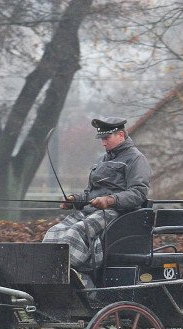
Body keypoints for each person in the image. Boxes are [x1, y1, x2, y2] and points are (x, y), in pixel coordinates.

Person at [42, 116, 151, 273]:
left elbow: (138, 193)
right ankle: (48, 272)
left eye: (107, 138)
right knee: (54, 231)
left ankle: (68, 272)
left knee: (75, 232)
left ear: (120, 135)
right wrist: (75, 200)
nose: (103, 142)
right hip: (92, 211)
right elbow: (90, 194)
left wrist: (110, 200)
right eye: (102, 139)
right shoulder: (102, 161)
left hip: (117, 213)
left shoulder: (136, 159)